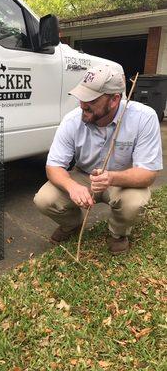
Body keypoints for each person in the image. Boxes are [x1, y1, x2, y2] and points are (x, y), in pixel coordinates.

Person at [34, 64, 163, 255]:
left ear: (114, 99)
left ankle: (118, 233)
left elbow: (148, 174)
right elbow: (53, 166)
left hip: (122, 179)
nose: (82, 105)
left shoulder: (143, 118)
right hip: (83, 175)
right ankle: (72, 225)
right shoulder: (72, 120)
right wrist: (72, 186)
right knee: (44, 199)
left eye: (91, 101)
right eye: (81, 98)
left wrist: (111, 178)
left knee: (134, 202)